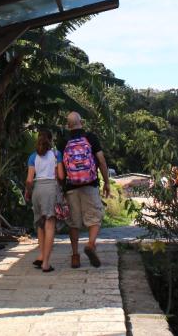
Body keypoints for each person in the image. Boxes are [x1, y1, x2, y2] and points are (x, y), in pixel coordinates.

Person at [60, 111, 110, 268]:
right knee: (94, 218)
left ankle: (75, 256)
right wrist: (107, 182)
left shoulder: (63, 141)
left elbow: (60, 169)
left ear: (68, 125)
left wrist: (61, 188)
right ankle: (90, 244)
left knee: (73, 223)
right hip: (90, 184)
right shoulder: (91, 138)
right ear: (81, 122)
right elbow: (101, 161)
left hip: (71, 186)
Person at [24, 128, 65, 273]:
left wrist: (28, 193)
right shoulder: (56, 154)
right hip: (50, 190)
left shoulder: (33, 156)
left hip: (37, 190)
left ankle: (41, 255)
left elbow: (29, 180)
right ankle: (46, 263)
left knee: (40, 225)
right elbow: (60, 176)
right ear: (50, 140)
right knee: (49, 226)